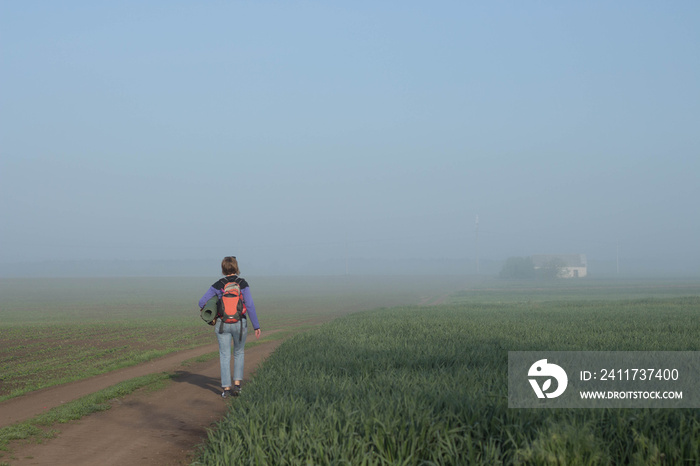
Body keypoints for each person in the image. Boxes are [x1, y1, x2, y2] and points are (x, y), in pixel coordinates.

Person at [198, 256, 261, 398]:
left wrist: (214, 304)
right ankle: (237, 386)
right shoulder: (242, 283)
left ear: (223, 268)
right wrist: (256, 325)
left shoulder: (218, 284)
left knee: (224, 356)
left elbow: (201, 302)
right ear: (236, 267)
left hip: (222, 325)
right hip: (240, 324)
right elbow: (250, 305)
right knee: (239, 353)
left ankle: (226, 389)